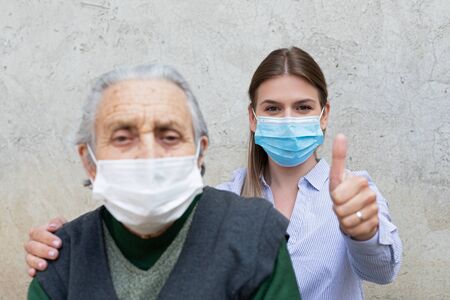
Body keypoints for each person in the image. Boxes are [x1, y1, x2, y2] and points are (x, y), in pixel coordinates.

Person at [25, 47, 402, 300]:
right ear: (253, 118)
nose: (288, 120)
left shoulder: (355, 192)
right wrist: (60, 250)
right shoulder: (224, 201)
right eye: (272, 109)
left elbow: (382, 272)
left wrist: (363, 230)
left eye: (303, 107)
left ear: (323, 114)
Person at [26, 64, 301, 299]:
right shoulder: (61, 260)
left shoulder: (254, 238)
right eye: (122, 138)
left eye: (169, 136)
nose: (148, 153)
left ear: (199, 152)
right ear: (89, 161)